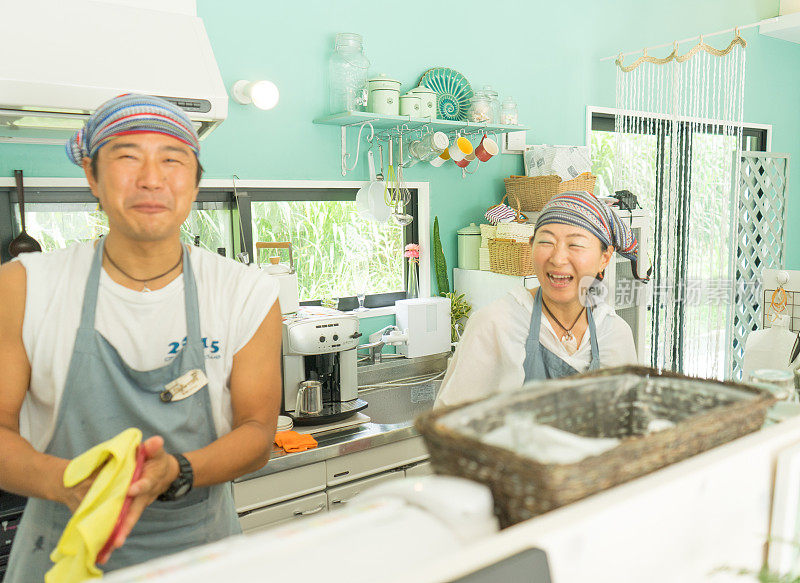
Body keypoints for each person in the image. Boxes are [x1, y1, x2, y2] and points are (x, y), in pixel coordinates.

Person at [0, 94, 283, 581]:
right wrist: (67, 482)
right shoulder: (24, 286)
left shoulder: (245, 293)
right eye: (127, 157)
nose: (151, 179)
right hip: (60, 553)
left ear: (195, 183)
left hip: (204, 557)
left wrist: (177, 471)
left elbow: (257, 434)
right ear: (92, 176)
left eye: (173, 160)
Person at [435, 190, 648, 408]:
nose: (557, 258)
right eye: (546, 241)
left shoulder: (614, 333)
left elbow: (628, 428)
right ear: (531, 245)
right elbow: (447, 427)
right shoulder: (495, 325)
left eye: (575, 244)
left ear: (605, 258)